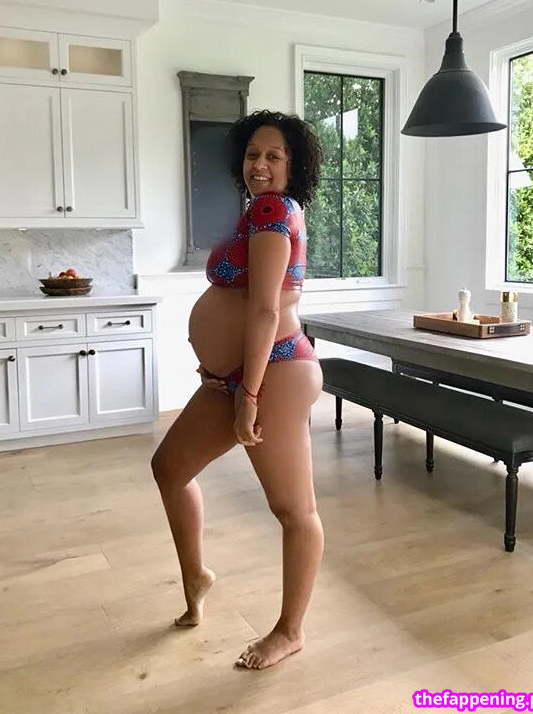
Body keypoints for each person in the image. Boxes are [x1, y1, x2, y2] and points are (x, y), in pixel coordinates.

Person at [151, 110, 324, 670]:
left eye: (274, 155)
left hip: (274, 373)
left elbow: (266, 309)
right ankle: (196, 576)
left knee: (293, 509)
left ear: (294, 165)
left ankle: (290, 631)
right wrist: (220, 366)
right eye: (253, 154)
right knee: (169, 467)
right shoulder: (259, 211)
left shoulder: (274, 209)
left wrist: (248, 393)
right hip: (236, 376)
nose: (260, 165)